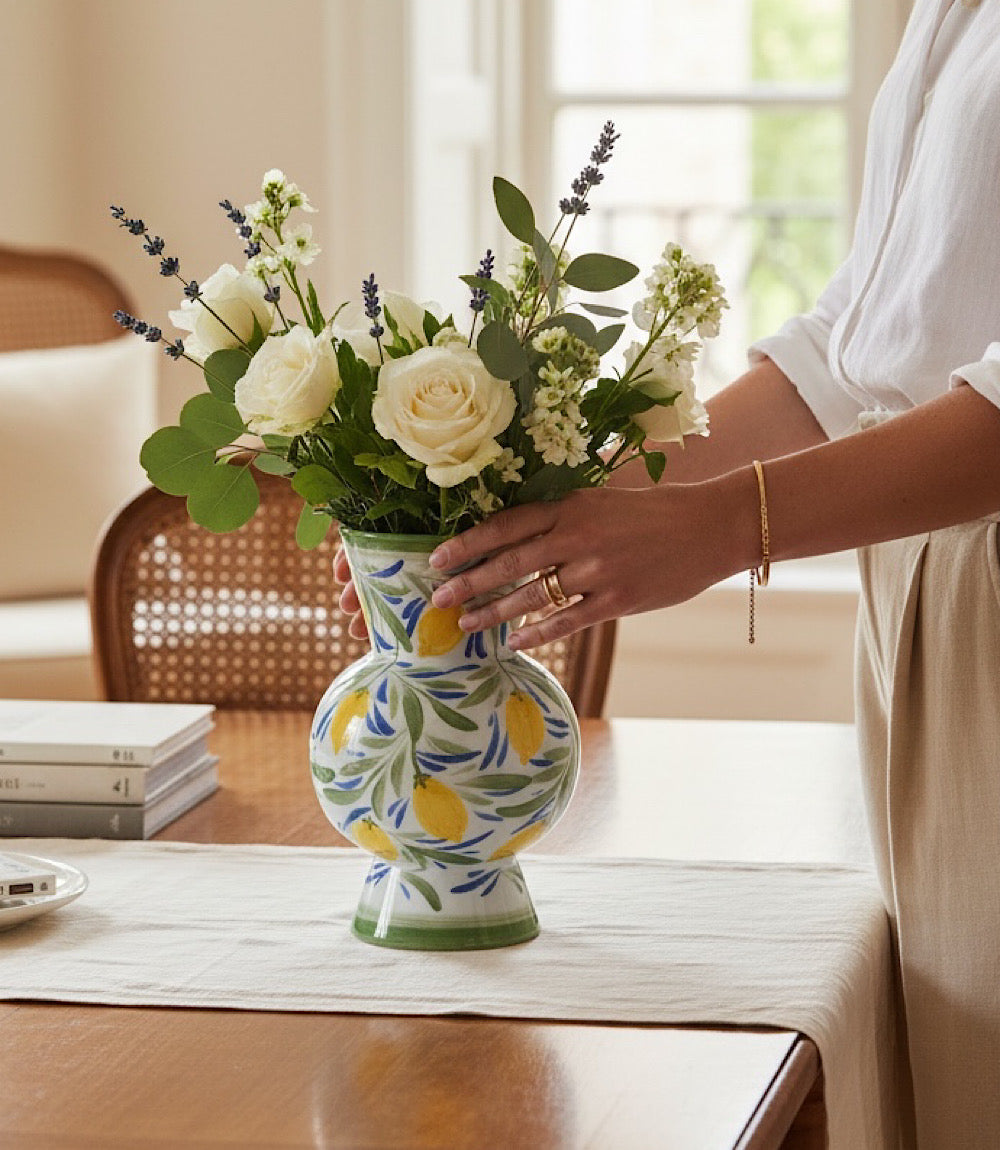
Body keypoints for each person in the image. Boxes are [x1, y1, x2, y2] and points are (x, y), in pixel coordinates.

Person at [336, 2, 1000, 1145]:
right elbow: (860, 344)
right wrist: (568, 500)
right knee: (957, 1066)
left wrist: (723, 527)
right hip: (918, 583)